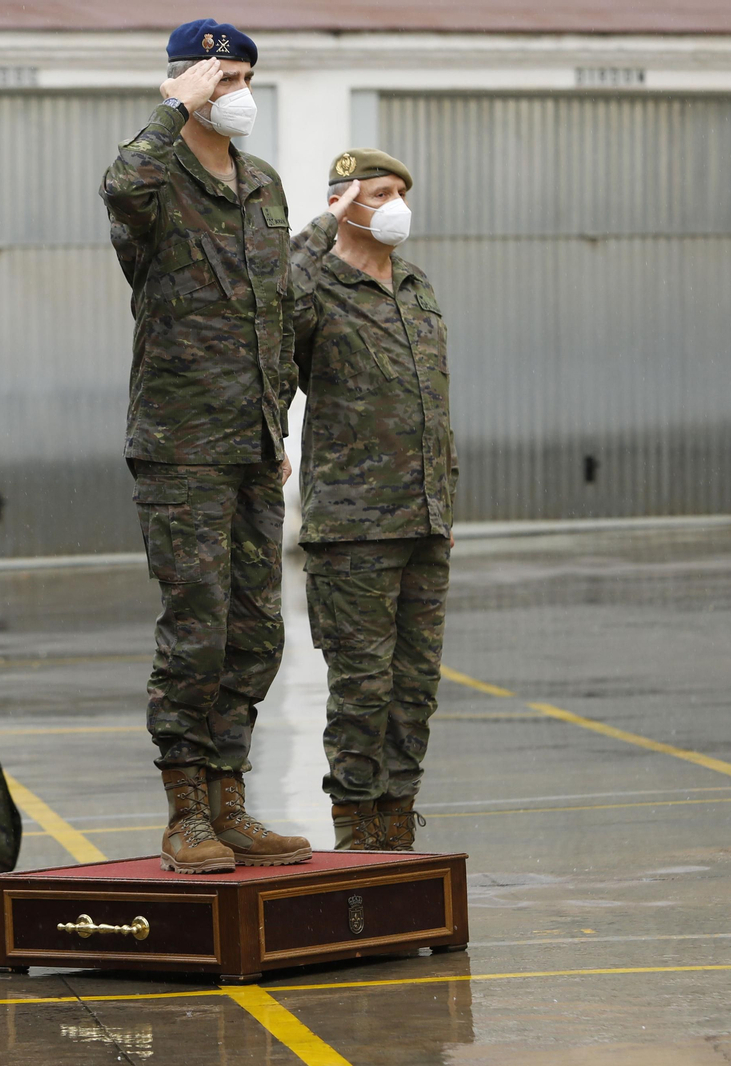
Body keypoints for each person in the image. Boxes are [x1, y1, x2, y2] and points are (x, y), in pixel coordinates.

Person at [101, 18, 310, 875]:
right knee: (196, 628)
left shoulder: (263, 183)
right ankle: (185, 810)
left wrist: (277, 425)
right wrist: (170, 109)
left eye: (248, 77)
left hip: (252, 440)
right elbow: (121, 186)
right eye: (224, 79)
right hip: (181, 442)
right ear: (185, 82)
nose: (241, 94)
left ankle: (232, 798)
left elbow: (278, 315)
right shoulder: (154, 178)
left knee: (257, 629)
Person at [289, 150, 457, 851]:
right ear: (345, 201)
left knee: (413, 689)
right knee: (361, 691)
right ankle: (357, 835)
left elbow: (433, 402)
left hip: (424, 519)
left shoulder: (415, 283)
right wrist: (316, 232)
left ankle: (396, 829)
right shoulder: (315, 284)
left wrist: (445, 508)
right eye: (381, 193)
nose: (397, 205)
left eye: (402, 192)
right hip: (353, 526)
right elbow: (269, 310)